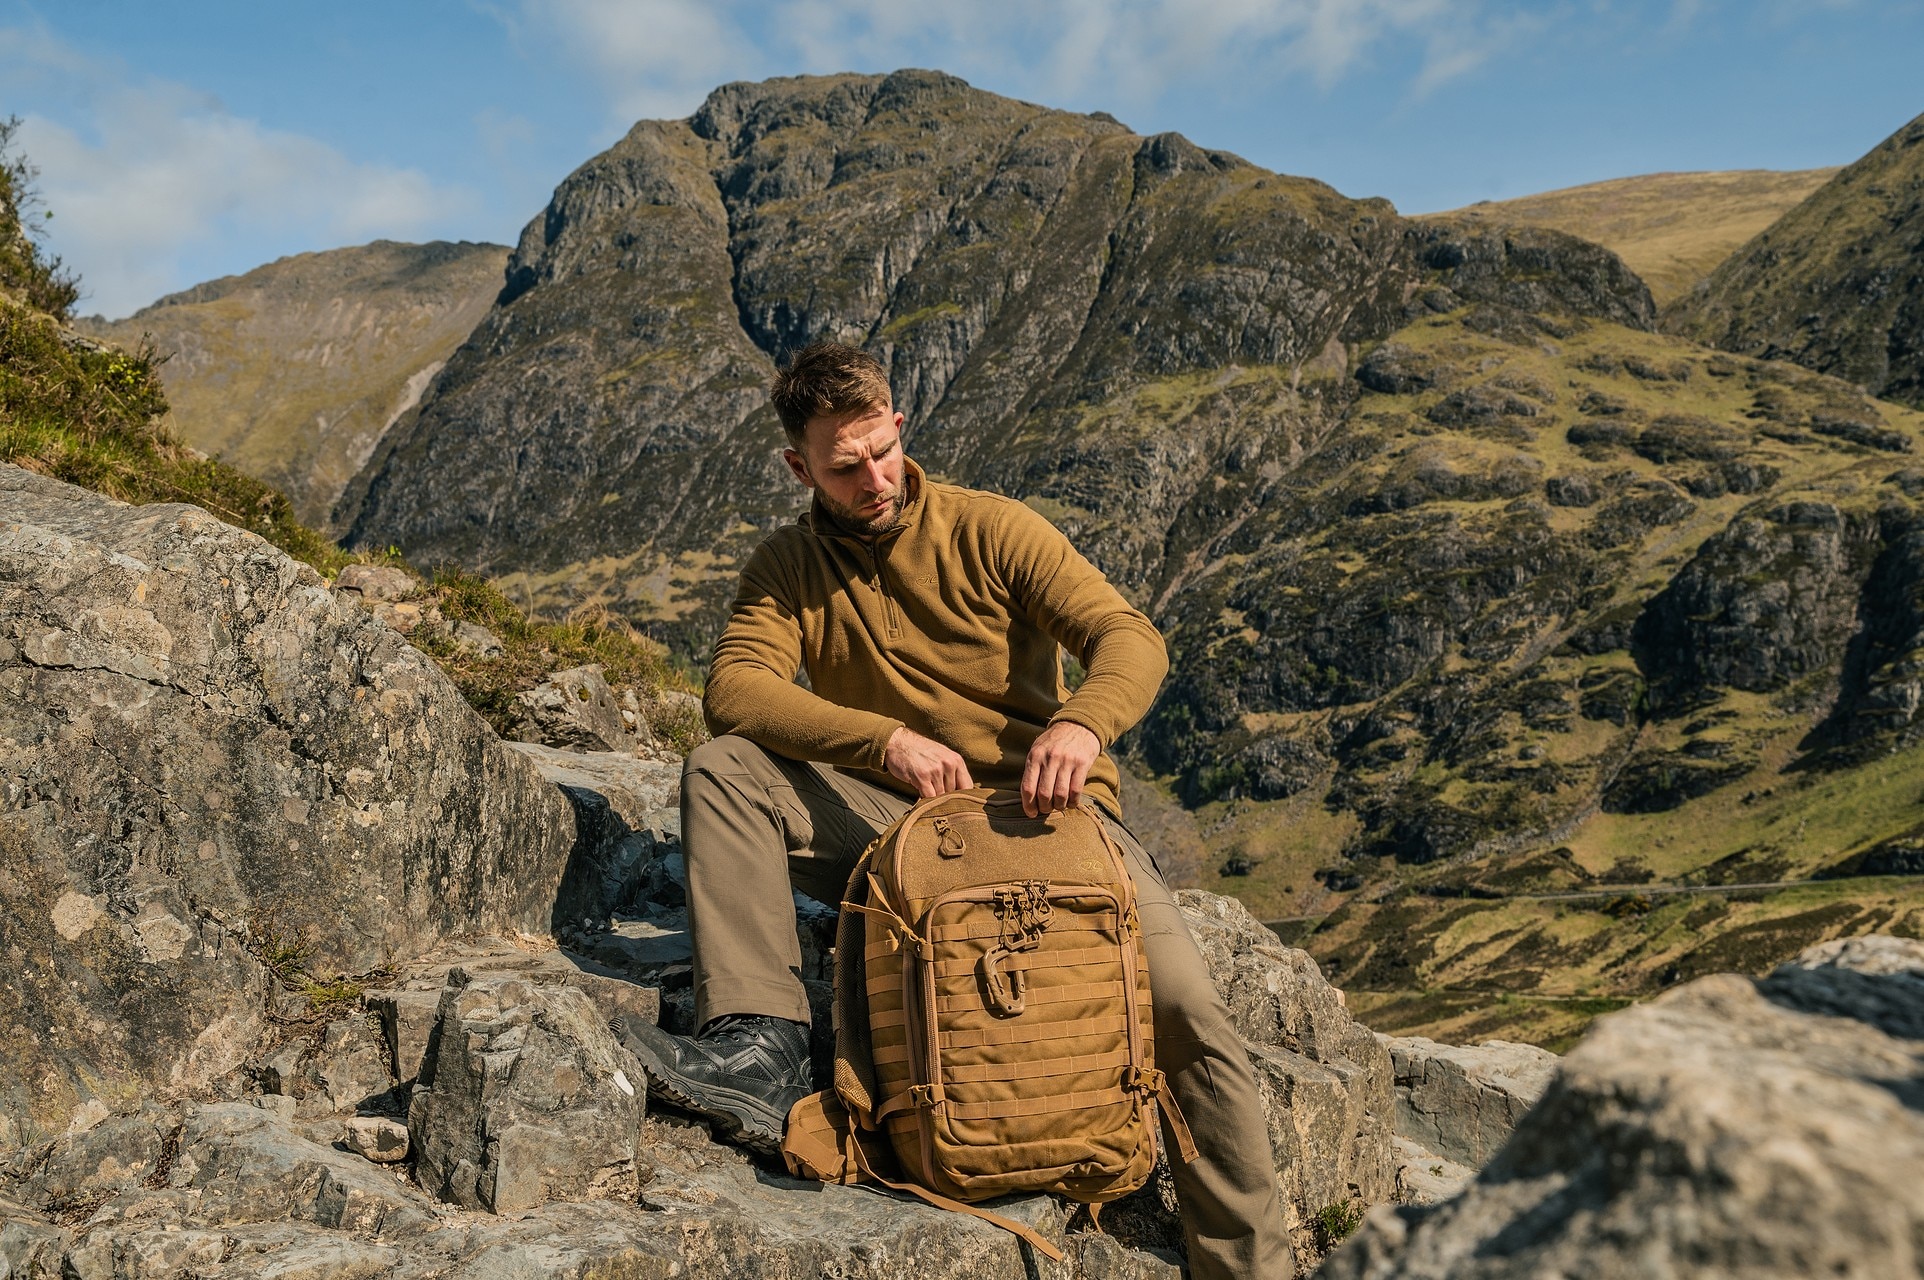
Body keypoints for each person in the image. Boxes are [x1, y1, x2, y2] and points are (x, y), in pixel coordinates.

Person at [619, 342, 1294, 1278]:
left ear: (899, 426)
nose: (871, 479)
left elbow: (1127, 637)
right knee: (726, 770)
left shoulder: (994, 529)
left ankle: (1245, 1270)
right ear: (798, 467)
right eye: (843, 466)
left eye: (880, 451)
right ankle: (760, 1044)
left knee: (1185, 1012)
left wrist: (1082, 728)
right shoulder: (787, 566)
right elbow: (734, 690)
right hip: (898, 828)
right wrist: (881, 742)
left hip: (1045, 816)